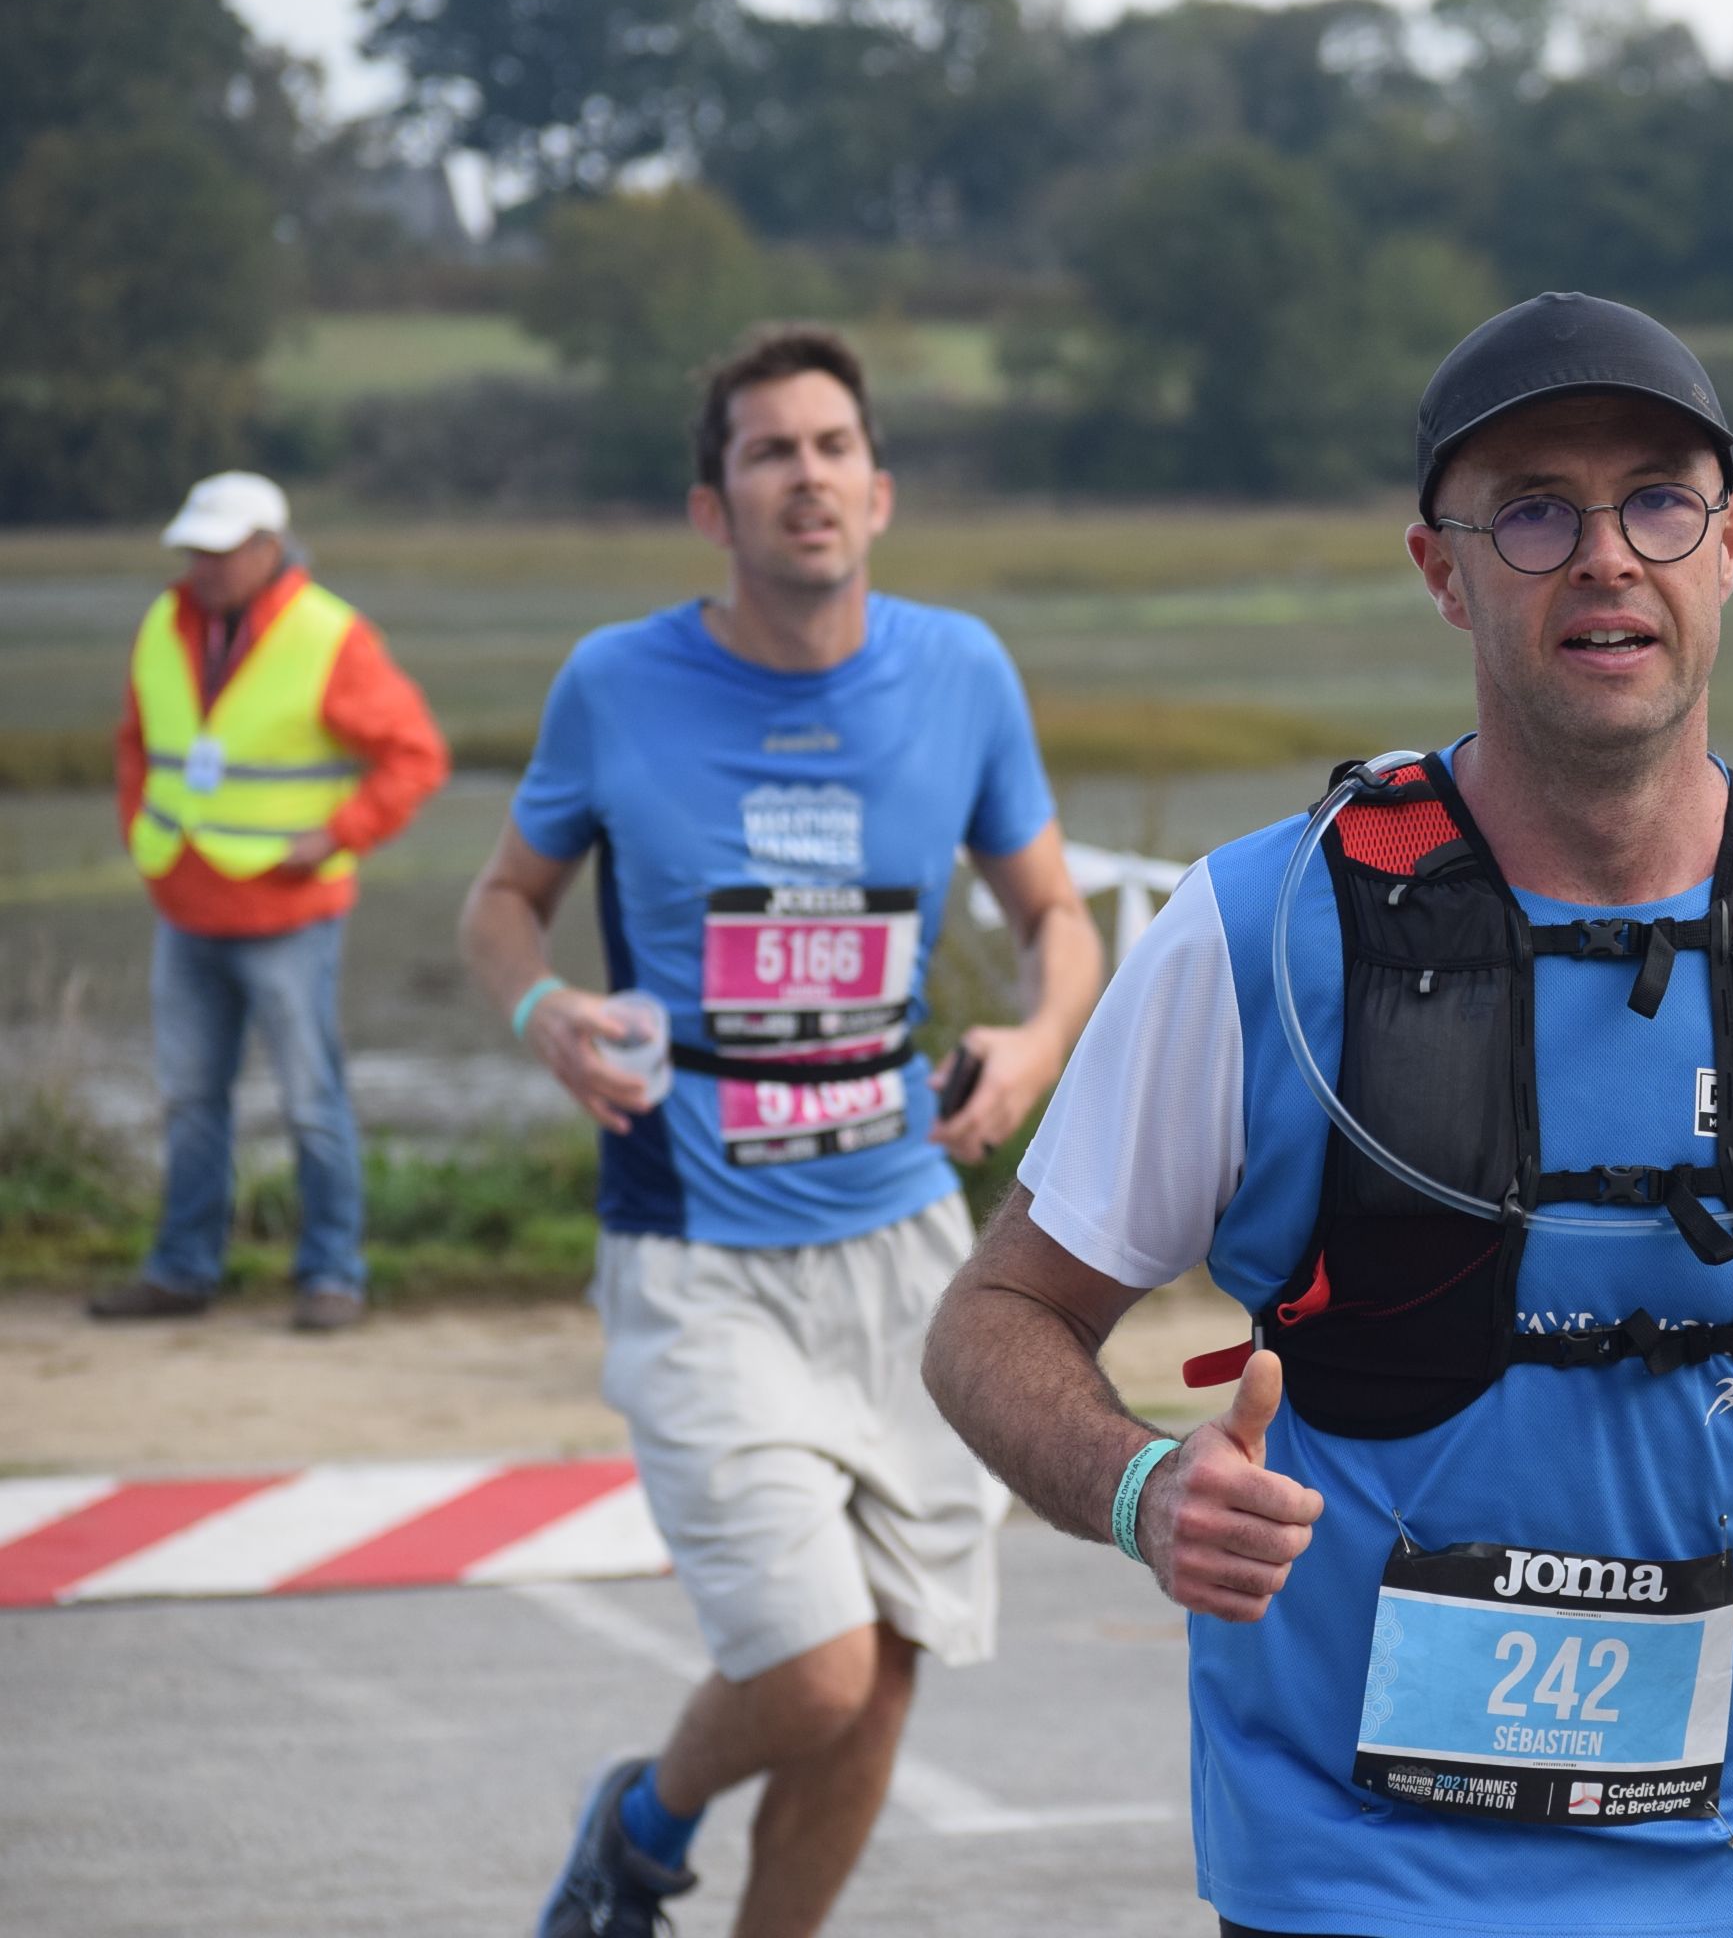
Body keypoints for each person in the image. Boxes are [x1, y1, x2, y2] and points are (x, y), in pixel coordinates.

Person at [925, 291, 1733, 1938]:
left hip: (1722, 1884)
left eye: (1656, 503)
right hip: (1342, 1883)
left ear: (1731, 545)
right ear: (1443, 569)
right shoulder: (1263, 930)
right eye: (1536, 512)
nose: (1605, 557)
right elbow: (994, 1320)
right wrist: (1142, 1491)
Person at [458, 326, 1104, 1938]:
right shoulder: (616, 683)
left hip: (909, 1257)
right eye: (767, 453)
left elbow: (1058, 921)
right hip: (698, 1260)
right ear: (714, 506)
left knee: (882, 1683)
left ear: (877, 492)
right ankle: (639, 1828)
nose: (804, 477)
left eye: (831, 448)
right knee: (812, 1667)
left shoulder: (961, 674)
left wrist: (1035, 1042)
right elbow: (501, 905)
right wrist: (545, 1013)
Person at [93, 471, 449, 1333]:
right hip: (185, 905)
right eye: (194, 550)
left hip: (288, 916)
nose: (203, 567)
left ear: (268, 548)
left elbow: (415, 755)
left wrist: (338, 834)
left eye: (220, 552)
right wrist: (141, 831)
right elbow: (137, 743)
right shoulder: (162, 623)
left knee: (310, 1103)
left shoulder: (329, 634)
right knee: (189, 1101)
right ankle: (183, 1270)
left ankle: (332, 1275)